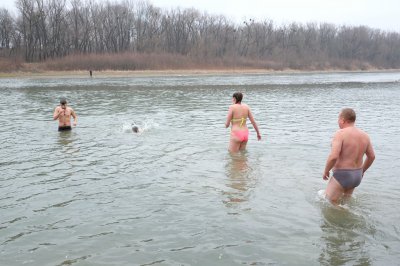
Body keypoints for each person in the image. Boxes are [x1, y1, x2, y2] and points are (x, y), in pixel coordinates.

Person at [323, 108, 375, 205]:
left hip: (342, 175)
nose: (338, 122)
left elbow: (334, 156)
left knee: (330, 202)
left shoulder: (340, 134)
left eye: (338, 119)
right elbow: (371, 156)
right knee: (345, 203)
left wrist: (326, 170)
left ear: (342, 120)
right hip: (357, 175)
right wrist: (362, 170)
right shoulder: (365, 135)